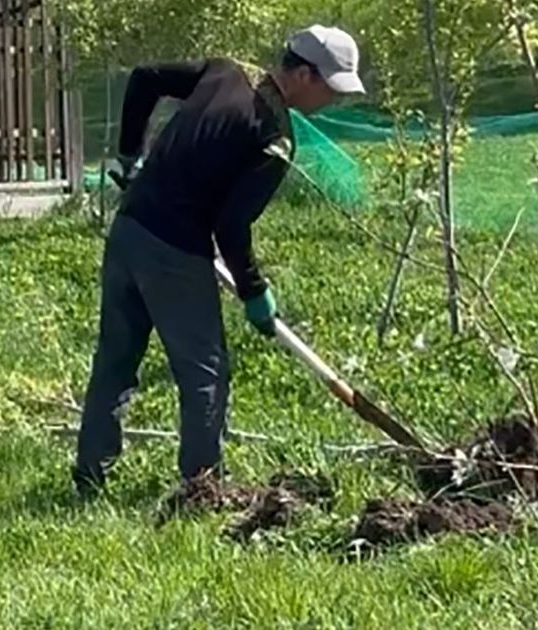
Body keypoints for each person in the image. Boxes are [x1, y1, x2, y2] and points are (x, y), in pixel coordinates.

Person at [71, 25, 364, 496]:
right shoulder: (273, 138)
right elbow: (230, 227)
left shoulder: (224, 71)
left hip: (129, 228)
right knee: (204, 371)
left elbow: (144, 78)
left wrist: (130, 157)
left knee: (115, 360)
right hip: (175, 251)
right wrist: (254, 291)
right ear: (304, 74)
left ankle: (90, 475)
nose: (332, 101)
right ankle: (200, 489)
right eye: (330, 88)